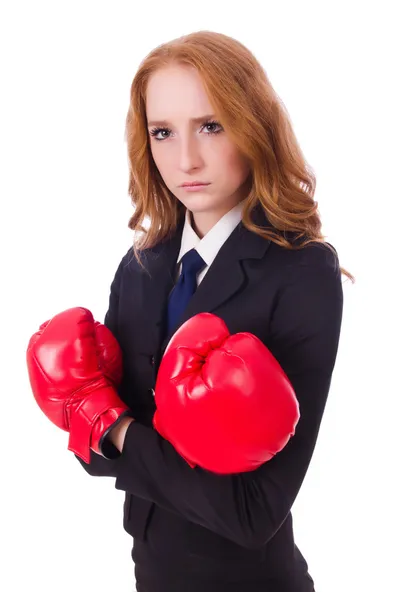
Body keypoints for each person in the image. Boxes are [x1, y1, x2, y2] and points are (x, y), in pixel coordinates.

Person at [28, 30, 354, 591]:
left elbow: (252, 512)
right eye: (163, 132)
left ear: (253, 126)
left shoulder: (301, 273)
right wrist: (98, 422)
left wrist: (110, 422)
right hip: (150, 573)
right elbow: (97, 459)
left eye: (211, 125)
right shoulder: (144, 265)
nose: (186, 159)